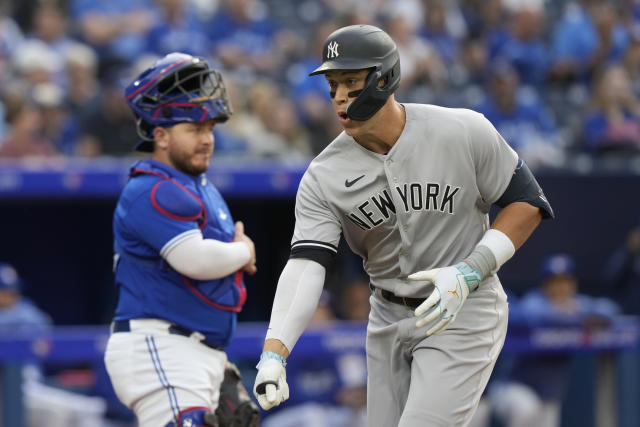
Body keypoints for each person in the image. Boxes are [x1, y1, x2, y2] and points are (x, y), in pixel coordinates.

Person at [252, 24, 554, 427]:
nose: (339, 96)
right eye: (333, 84)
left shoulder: (461, 130)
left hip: (464, 307)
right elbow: (307, 264)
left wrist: (470, 271)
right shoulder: (323, 175)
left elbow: (528, 202)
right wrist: (275, 351)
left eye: (351, 82)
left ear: (384, 78)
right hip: (387, 316)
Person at [103, 52, 260, 427]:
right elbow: (196, 260)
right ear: (160, 135)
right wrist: (242, 250)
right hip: (159, 345)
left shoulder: (199, 187)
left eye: (209, 129)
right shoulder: (151, 188)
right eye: (193, 129)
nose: (206, 140)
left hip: (195, 348)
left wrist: (217, 362)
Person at [490, 253, 621, 427]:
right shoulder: (535, 301)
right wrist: (577, 317)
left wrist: (577, 313)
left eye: (565, 281)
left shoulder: (576, 305)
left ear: (573, 284)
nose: (560, 287)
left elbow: (610, 310)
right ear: (545, 284)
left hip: (549, 398)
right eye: (554, 282)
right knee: (527, 409)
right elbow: (533, 314)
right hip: (512, 389)